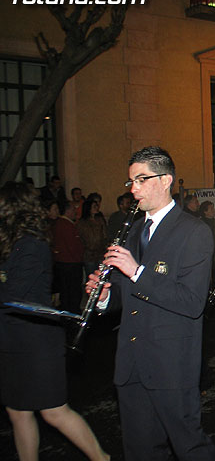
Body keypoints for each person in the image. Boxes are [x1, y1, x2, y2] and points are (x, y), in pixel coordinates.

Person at [85, 146, 215, 460]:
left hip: (171, 366)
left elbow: (191, 302)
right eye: (131, 181)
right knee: (141, 452)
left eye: (141, 180)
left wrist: (136, 271)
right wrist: (105, 297)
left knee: (190, 448)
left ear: (165, 180)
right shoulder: (132, 231)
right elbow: (125, 292)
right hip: (131, 365)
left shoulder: (194, 231)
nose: (133, 189)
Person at [0, 181, 109, 461]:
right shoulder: (10, 242)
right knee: (18, 411)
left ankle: (101, 458)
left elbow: (15, 293)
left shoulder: (33, 243)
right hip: (11, 337)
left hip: (36, 340)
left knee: (53, 411)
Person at [52, 199, 84, 314]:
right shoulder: (65, 225)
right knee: (72, 291)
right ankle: (72, 313)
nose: (75, 211)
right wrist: (79, 259)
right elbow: (72, 246)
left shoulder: (62, 224)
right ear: (67, 210)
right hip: (70, 263)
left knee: (67, 291)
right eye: (72, 209)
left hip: (65, 262)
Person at [76, 198, 108, 281]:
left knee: (101, 277)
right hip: (89, 254)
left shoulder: (100, 220)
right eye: (94, 207)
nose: (96, 208)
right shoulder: (83, 222)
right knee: (91, 277)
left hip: (100, 252)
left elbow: (104, 235)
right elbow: (82, 237)